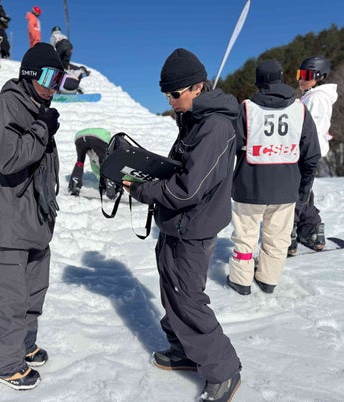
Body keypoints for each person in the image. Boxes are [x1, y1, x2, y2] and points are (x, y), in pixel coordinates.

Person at [122, 48, 242, 402]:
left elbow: (188, 189)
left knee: (188, 299)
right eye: (166, 95)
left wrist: (142, 190)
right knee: (171, 290)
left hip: (194, 227)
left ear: (197, 87)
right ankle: (184, 349)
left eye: (175, 94)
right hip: (177, 223)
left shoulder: (215, 127)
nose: (170, 101)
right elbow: (183, 170)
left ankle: (224, 370)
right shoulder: (194, 118)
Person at [0, 42, 66, 391]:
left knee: (32, 294)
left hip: (34, 223)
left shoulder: (37, 110)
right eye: (49, 78)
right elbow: (8, 158)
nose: (54, 87)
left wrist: (42, 127)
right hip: (7, 225)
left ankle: (24, 346)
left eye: (59, 80)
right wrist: (42, 129)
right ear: (29, 74)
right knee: (10, 301)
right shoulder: (5, 106)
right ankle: (6, 364)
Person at [227, 60, 321, 296]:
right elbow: (311, 155)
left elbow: (231, 148)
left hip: (249, 186)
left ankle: (241, 280)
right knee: (278, 239)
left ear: (258, 82)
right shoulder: (300, 109)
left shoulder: (246, 108)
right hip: (286, 189)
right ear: (280, 78)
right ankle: (268, 279)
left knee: (245, 237)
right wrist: (303, 190)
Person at [289, 56, 338, 255]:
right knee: (304, 193)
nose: (302, 79)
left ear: (320, 76)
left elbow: (312, 129)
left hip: (306, 152)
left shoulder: (317, 98)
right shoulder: (311, 96)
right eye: (299, 74)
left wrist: (300, 151)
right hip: (306, 152)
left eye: (307, 75)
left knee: (295, 194)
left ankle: (288, 235)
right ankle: (310, 231)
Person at [68, 127, 121, 199]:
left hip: (79, 137)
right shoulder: (110, 145)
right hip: (97, 138)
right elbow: (106, 166)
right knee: (106, 163)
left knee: (80, 161)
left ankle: (74, 186)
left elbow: (95, 168)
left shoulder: (94, 151)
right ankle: (111, 189)